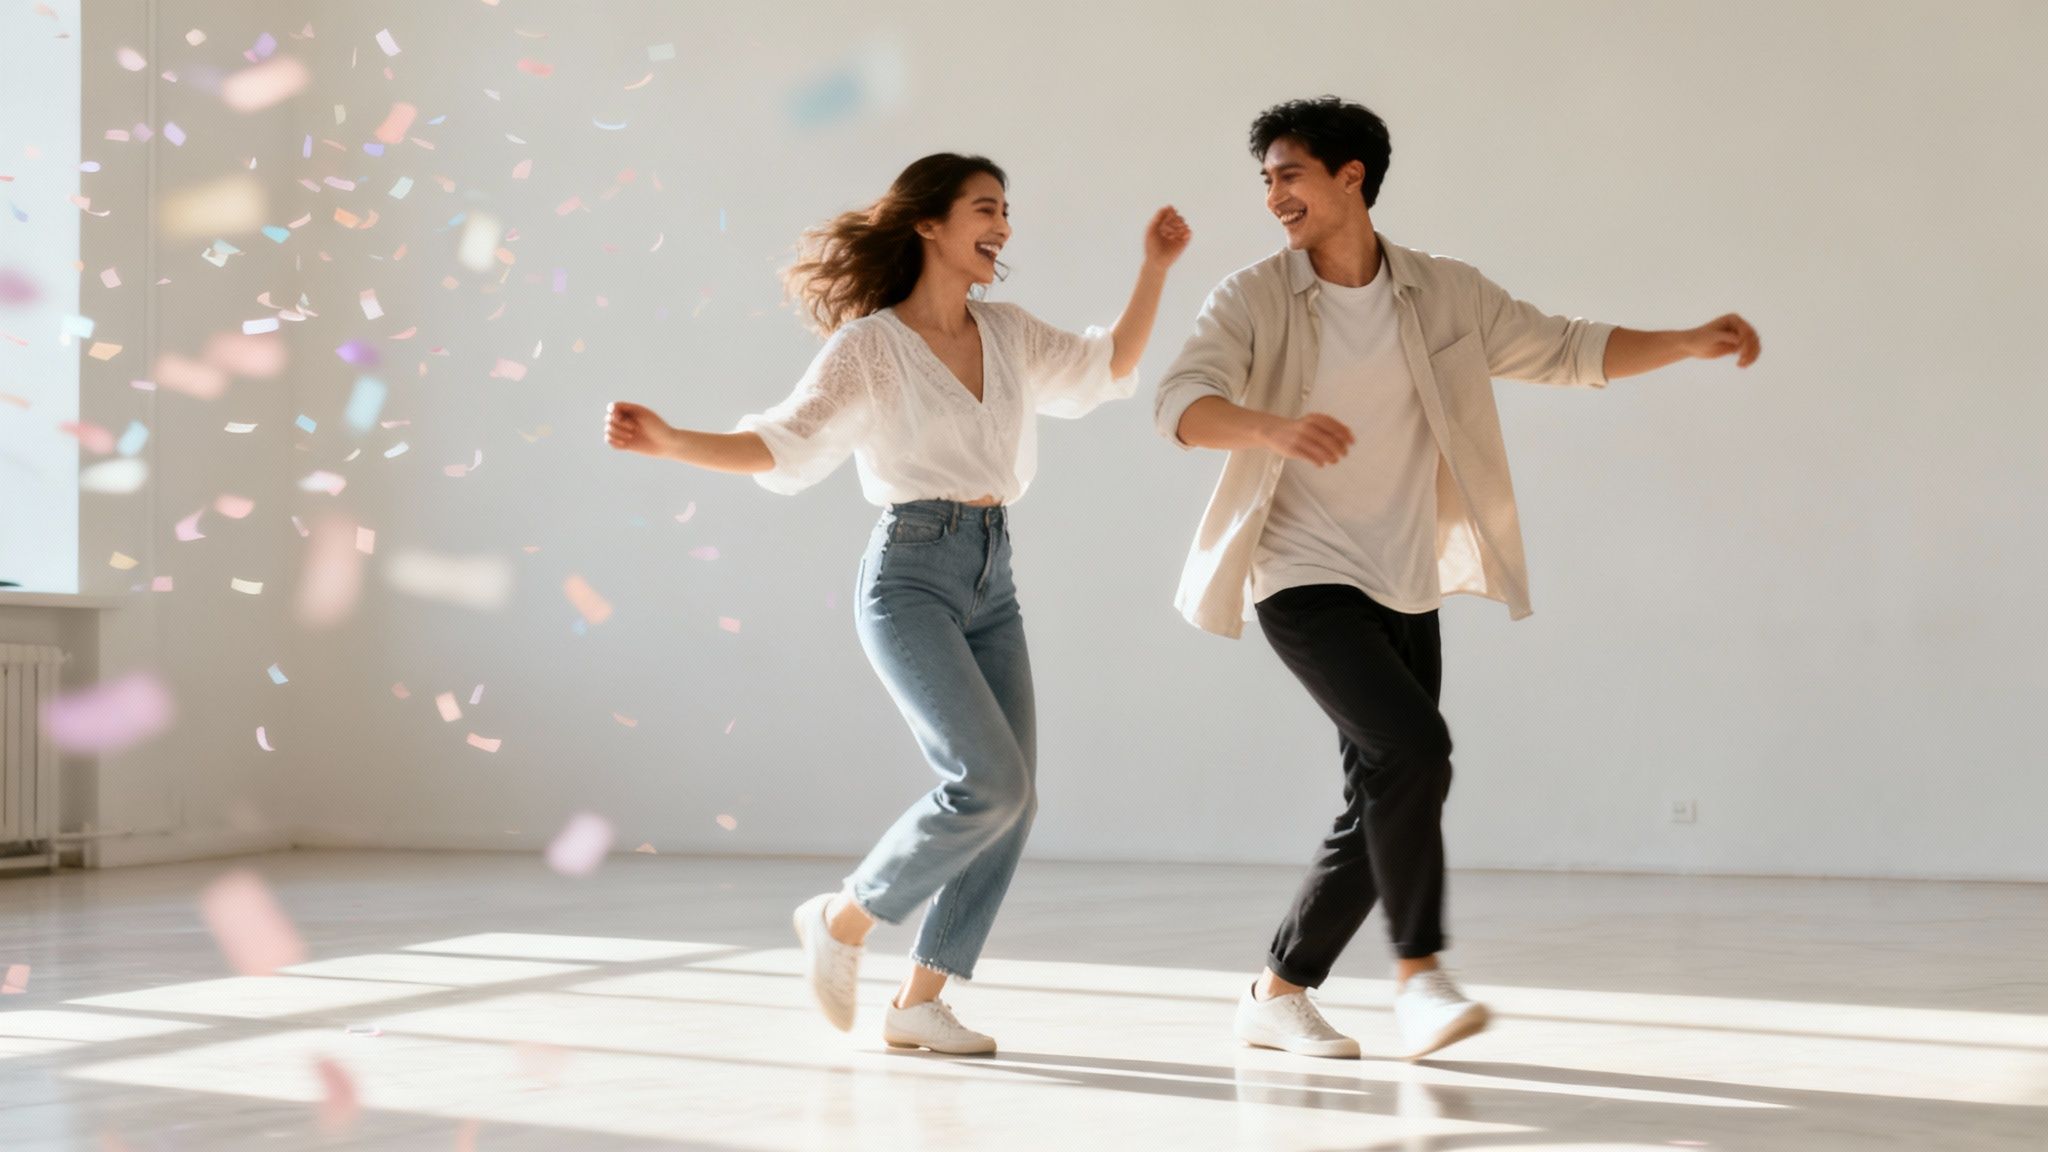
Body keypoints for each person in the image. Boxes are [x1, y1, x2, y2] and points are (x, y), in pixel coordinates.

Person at [1154, 97, 1760, 1061]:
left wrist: (1682, 341)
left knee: (1393, 784)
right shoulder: (1251, 297)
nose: (1273, 195)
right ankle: (1420, 977)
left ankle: (1276, 991)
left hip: (1406, 575)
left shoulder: (1444, 292)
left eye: (1290, 174)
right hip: (1299, 573)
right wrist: (1271, 427)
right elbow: (1180, 405)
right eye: (1265, 178)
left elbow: (1565, 348)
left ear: (1352, 176)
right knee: (1418, 750)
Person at [607, 153, 1191, 1054]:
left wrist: (1154, 269)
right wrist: (673, 441)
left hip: (994, 575)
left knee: (1014, 798)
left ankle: (920, 1001)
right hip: (910, 575)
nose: (1002, 227)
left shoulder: (1007, 333)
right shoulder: (871, 348)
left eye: (1006, 212)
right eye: (985, 209)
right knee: (985, 782)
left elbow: (1108, 363)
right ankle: (842, 920)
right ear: (929, 225)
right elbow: (783, 443)